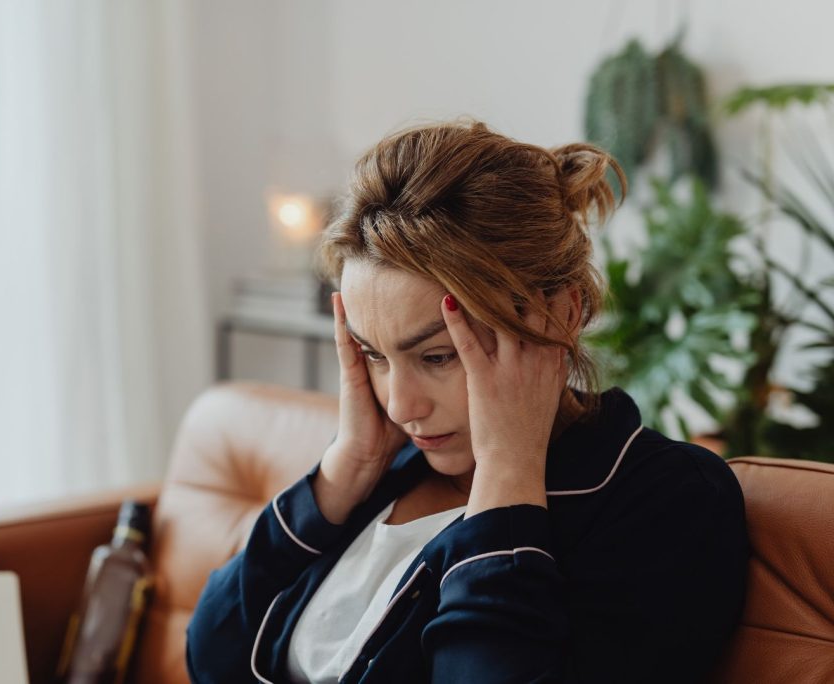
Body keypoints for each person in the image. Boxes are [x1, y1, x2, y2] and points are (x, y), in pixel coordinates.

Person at [186, 120, 749, 683]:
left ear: (561, 315)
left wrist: (509, 474)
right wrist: (343, 471)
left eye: (436, 356)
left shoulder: (665, 499)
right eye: (373, 355)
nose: (401, 406)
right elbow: (210, 656)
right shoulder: (387, 470)